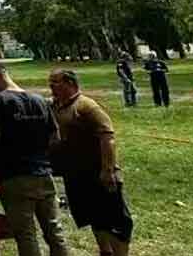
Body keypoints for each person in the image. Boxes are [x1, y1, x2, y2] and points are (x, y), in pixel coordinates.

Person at [0, 64, 69, 256]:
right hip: (43, 174)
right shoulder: (39, 100)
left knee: (26, 234)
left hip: (14, 175)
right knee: (55, 230)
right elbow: (55, 137)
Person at [49, 70, 133, 256]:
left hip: (99, 174)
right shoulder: (56, 107)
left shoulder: (86, 106)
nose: (51, 87)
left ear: (70, 82)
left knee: (116, 221)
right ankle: (105, 251)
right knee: (95, 218)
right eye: (50, 83)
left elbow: (108, 138)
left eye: (55, 82)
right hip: (76, 175)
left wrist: (108, 170)